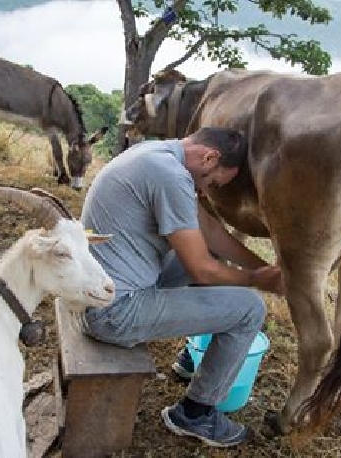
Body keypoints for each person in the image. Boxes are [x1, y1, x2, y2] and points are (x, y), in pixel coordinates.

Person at [79, 127, 284, 447]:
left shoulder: (157, 154)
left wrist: (263, 268)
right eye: (211, 182)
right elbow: (201, 269)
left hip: (103, 288)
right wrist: (257, 281)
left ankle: (195, 358)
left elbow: (211, 232)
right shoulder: (170, 176)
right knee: (250, 309)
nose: (205, 191)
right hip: (114, 311)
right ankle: (196, 413)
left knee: (208, 250)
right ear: (210, 157)